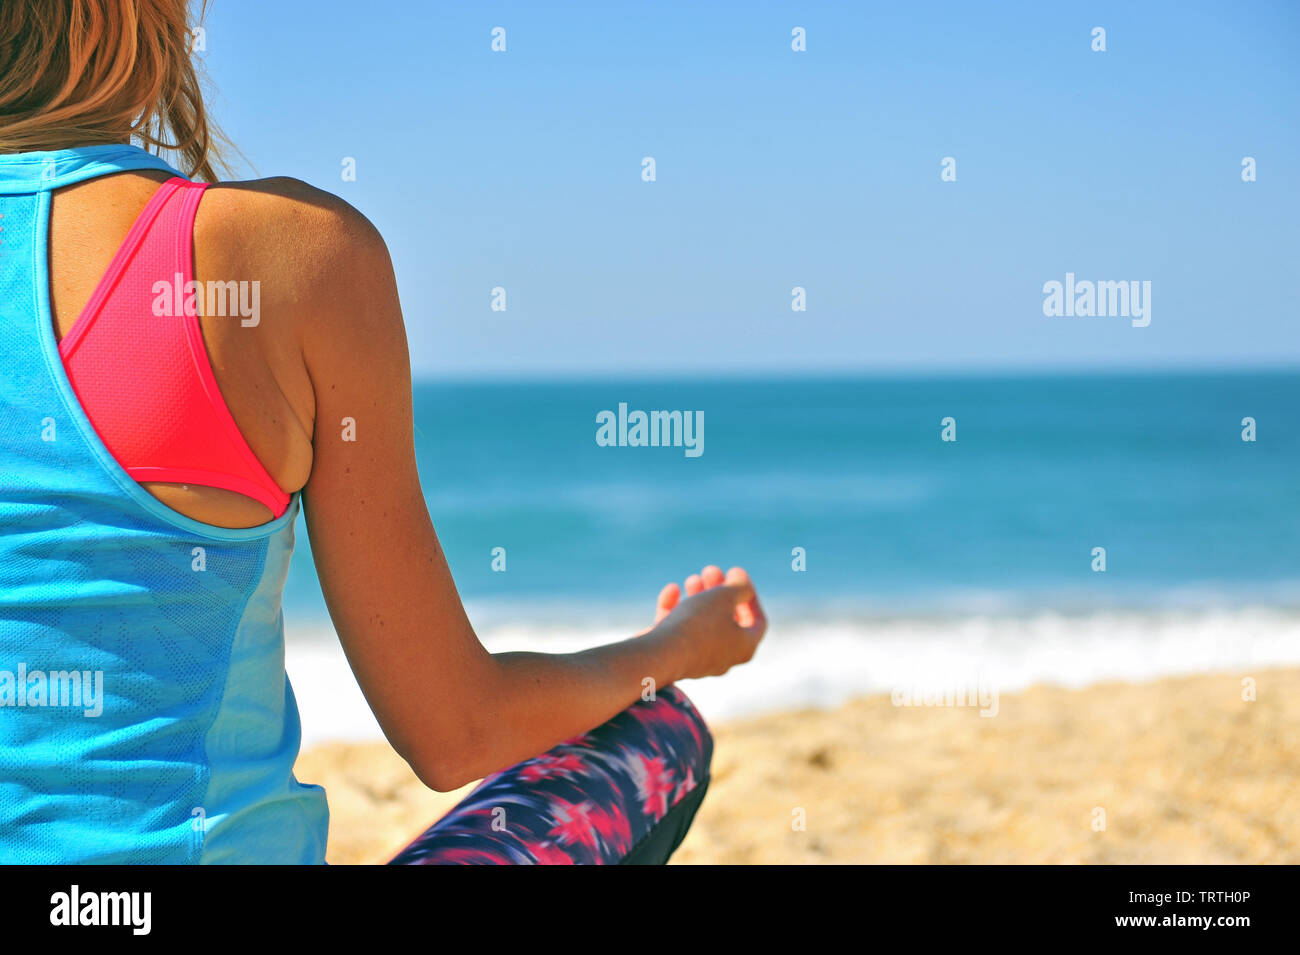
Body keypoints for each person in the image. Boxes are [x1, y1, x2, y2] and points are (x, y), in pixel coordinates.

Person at [0, 0, 766, 864]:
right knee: (658, 735)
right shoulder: (283, 252)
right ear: (116, 20)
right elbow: (457, 730)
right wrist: (676, 647)